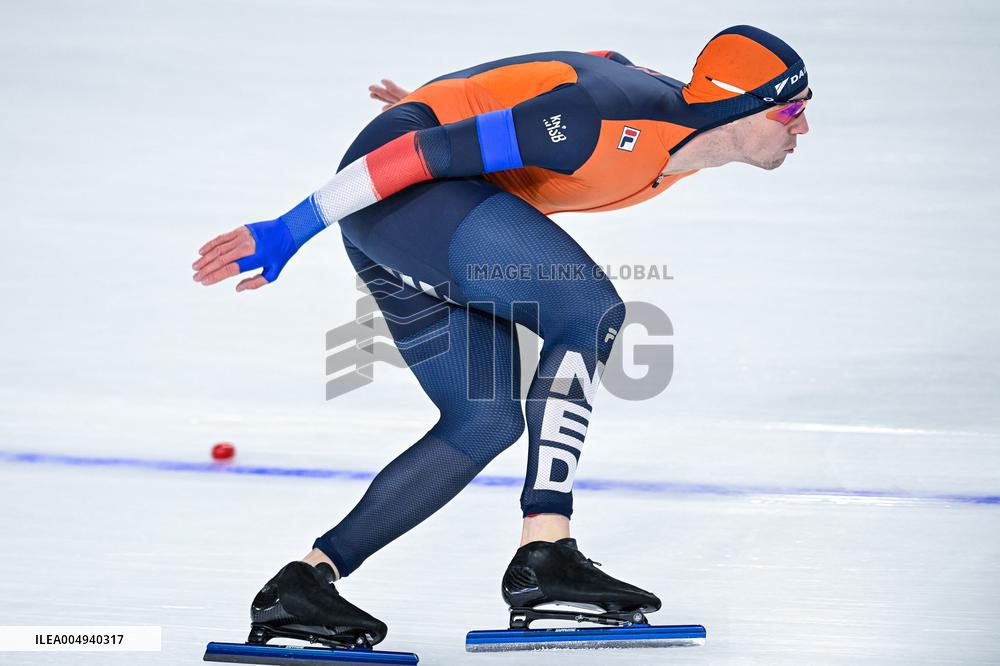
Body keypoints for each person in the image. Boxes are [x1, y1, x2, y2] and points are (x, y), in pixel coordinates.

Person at [193, 25, 810, 648]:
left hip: (433, 198)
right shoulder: (595, 119)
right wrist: (288, 229)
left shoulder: (671, 128)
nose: (802, 128)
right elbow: (435, 147)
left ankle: (303, 583)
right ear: (745, 106)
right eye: (793, 109)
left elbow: (592, 60)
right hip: (401, 181)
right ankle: (547, 553)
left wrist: (469, 116)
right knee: (587, 310)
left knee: (483, 420)